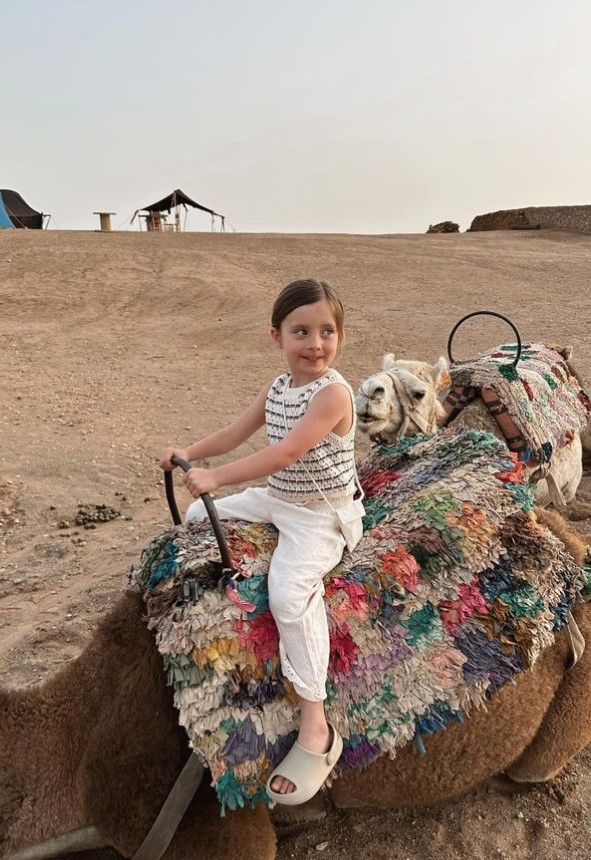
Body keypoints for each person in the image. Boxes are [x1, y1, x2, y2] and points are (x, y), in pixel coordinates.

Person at [159, 278, 364, 805]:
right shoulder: (278, 388)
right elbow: (236, 432)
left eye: (326, 331)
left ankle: (316, 724)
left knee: (289, 592)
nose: (314, 344)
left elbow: (286, 453)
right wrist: (190, 451)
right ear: (277, 337)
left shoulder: (333, 394)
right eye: (301, 332)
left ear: (339, 336)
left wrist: (217, 476)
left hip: (321, 515)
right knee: (200, 521)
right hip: (280, 500)